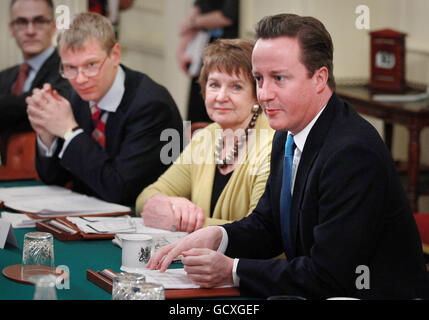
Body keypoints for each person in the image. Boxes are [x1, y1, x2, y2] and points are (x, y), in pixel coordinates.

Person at [147, 14, 428, 299]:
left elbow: (329, 274)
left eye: (278, 78)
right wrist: (220, 237)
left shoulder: (352, 152)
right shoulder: (287, 133)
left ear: (319, 78)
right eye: (259, 79)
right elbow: (268, 225)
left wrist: (232, 269)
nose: (264, 94)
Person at [26, 12, 183, 206]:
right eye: (70, 68)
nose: (80, 79)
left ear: (115, 55)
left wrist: (70, 131)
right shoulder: (74, 96)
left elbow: (120, 190)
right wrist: (47, 134)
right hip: (85, 218)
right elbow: (54, 179)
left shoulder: (152, 106)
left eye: (91, 65)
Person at [136, 39, 274, 233]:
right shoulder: (205, 138)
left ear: (256, 94)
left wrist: (184, 222)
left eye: (236, 87)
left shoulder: (272, 145)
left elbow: (259, 231)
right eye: (214, 85)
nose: (221, 96)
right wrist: (173, 204)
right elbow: (146, 198)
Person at [0, 0, 70, 134]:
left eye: (39, 21)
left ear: (54, 26)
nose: (30, 31)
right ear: (11, 28)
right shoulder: (3, 77)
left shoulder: (69, 68)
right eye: (21, 22)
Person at [177, 0, 239, 123]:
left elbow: (227, 16)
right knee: (198, 104)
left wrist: (193, 23)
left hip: (228, 51)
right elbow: (198, 8)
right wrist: (182, 49)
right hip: (204, 50)